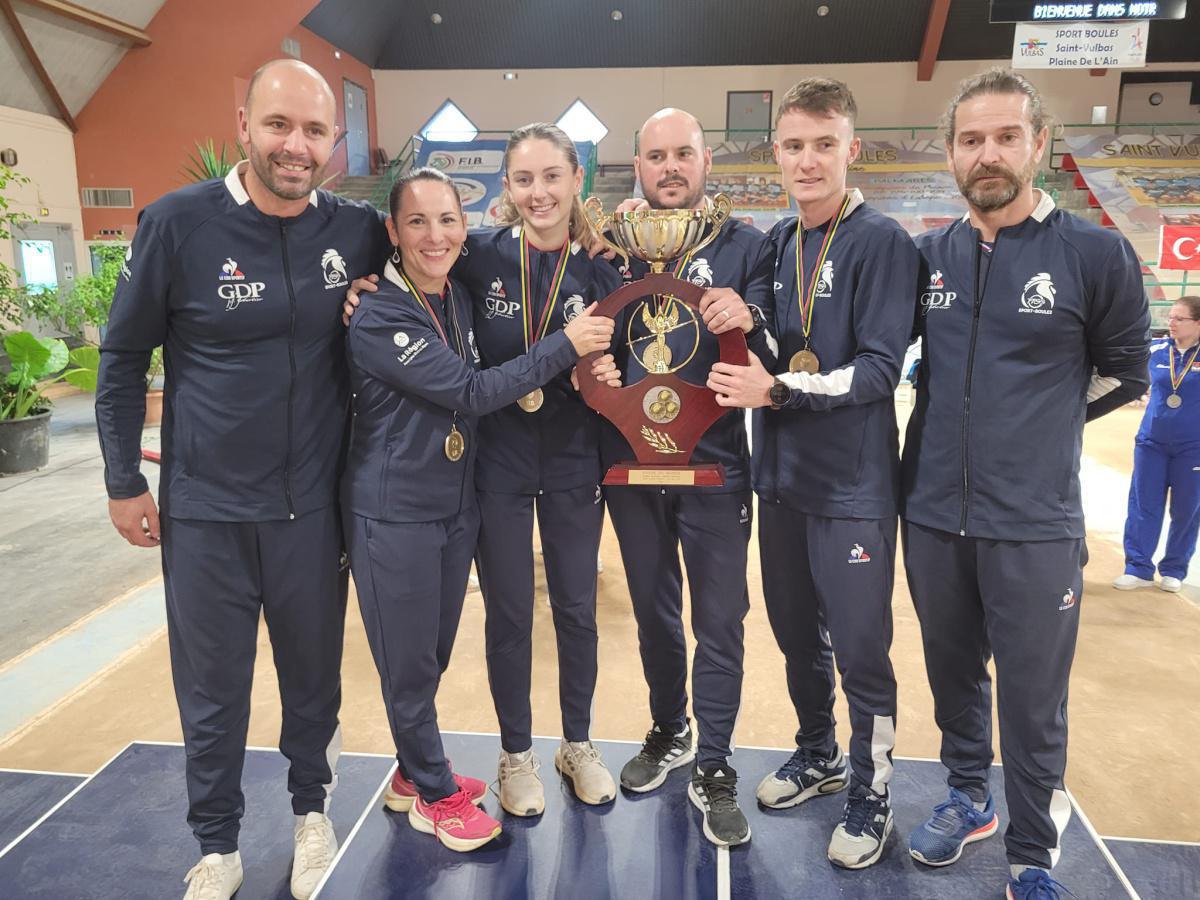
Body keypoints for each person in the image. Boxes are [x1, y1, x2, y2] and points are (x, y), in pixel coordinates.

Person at [95, 60, 390, 900]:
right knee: (212, 693)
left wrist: (589, 238)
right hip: (206, 512)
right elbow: (121, 359)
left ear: (333, 141)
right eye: (278, 126)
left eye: (313, 131)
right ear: (244, 124)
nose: (295, 146)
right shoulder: (177, 224)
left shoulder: (356, 230)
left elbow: (449, 255)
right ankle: (217, 845)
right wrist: (124, 480)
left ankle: (311, 816)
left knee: (313, 682)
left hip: (312, 512)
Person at [900, 69, 1149, 900]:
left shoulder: (1095, 252)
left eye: (1007, 136)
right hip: (933, 513)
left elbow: (1124, 372)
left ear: (1040, 143)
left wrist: (1040, 427)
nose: (989, 153)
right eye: (972, 139)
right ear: (951, 153)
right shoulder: (930, 255)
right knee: (953, 674)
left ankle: (1032, 849)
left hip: (1035, 525)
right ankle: (968, 795)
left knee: (1034, 699)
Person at [342, 124, 623, 817]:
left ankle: (578, 744)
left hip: (570, 460)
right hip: (493, 462)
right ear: (506, 189)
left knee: (578, 612)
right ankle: (516, 755)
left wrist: (614, 371)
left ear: (575, 179)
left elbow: (631, 361)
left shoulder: (602, 269)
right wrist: (364, 284)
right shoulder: (478, 257)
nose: (539, 193)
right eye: (523, 180)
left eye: (552, 177)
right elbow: (418, 263)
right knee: (508, 615)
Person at [705, 77, 918, 869]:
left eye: (823, 144)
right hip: (782, 479)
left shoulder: (884, 243)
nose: (807, 160)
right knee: (798, 637)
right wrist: (740, 318)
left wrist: (779, 388)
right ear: (777, 155)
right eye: (793, 145)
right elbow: (759, 338)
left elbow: (877, 371)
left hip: (854, 489)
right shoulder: (773, 242)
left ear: (850, 149)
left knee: (862, 648)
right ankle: (820, 751)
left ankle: (873, 792)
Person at [601, 108, 776, 847]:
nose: (669, 167)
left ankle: (713, 760)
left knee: (720, 619)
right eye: (655, 155)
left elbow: (778, 344)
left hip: (717, 467)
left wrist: (753, 313)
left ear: (707, 162)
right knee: (652, 612)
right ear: (636, 166)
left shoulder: (749, 246)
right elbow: (588, 334)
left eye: (683, 154)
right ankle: (670, 729)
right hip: (631, 468)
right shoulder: (614, 249)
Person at [1114, 295, 1200, 593]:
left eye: (1179, 319)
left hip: (1193, 447)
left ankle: (1175, 568)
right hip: (1152, 443)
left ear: (1197, 323)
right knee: (1143, 504)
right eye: (1171, 317)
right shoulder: (1157, 350)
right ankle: (1137, 567)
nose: (1171, 323)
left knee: (1187, 509)